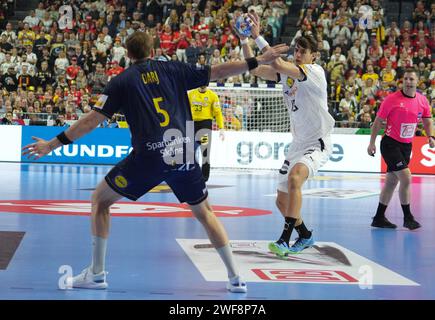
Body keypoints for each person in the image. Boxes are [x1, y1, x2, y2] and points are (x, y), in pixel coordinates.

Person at [22, 31, 288, 292]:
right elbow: (218, 72)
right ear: (153, 51)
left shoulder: (121, 82)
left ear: (127, 54)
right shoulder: (174, 69)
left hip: (149, 157)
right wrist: (257, 60)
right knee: (206, 213)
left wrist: (52, 144)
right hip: (183, 151)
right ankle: (235, 278)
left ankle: (96, 273)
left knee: (100, 201)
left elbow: (92, 121)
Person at [236, 12, 335, 256]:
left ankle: (284, 240)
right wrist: (244, 41)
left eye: (303, 51)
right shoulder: (288, 75)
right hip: (298, 144)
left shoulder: (315, 71)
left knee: (295, 180)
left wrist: (258, 36)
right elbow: (256, 70)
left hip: (317, 142)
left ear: (313, 56)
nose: (298, 54)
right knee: (281, 201)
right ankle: (305, 235)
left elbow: (278, 63)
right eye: (297, 50)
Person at [367, 68, 434, 230]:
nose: (408, 82)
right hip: (390, 144)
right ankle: (408, 217)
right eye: (406, 79)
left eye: (411, 79)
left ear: (417, 81)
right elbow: (377, 122)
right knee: (406, 177)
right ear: (402, 81)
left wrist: (430, 136)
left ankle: (379, 217)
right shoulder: (391, 99)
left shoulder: (422, 100)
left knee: (391, 182)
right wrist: (372, 143)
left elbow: (427, 120)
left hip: (406, 146)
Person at [188, 85, 225, 181]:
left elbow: (218, 113)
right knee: (189, 151)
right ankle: (190, 174)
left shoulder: (212, 96)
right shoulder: (191, 94)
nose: (203, 86)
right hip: (191, 124)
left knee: (205, 151)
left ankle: (204, 176)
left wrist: (221, 128)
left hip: (205, 125)